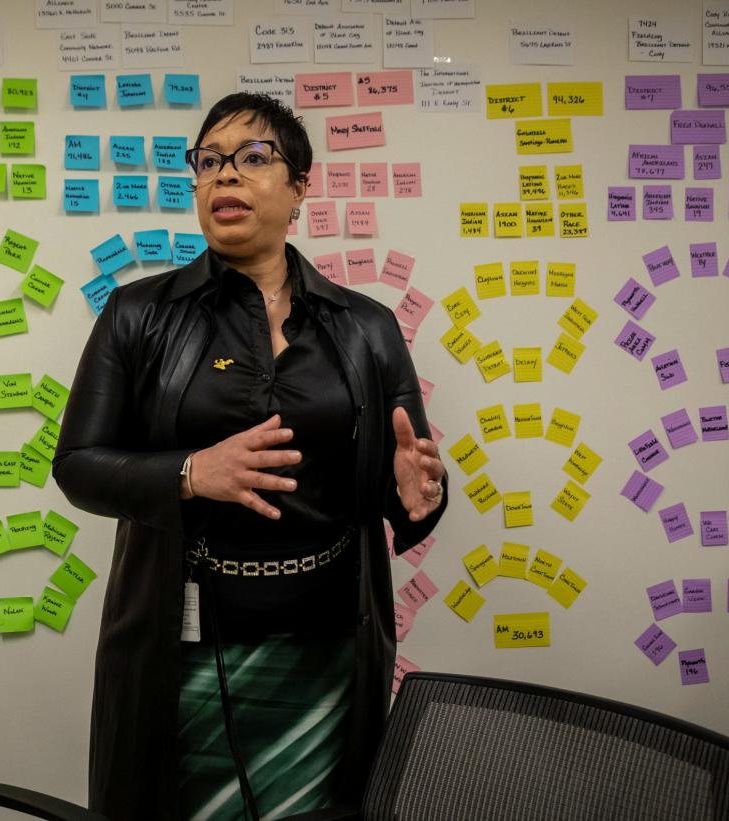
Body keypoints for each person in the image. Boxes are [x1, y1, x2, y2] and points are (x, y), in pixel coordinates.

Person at [53, 92, 447, 820]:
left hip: (327, 651)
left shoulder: (367, 328)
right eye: (208, 162)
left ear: (301, 186)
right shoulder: (138, 315)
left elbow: (405, 485)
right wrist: (190, 472)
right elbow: (76, 462)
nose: (223, 176)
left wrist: (421, 495)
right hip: (184, 653)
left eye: (252, 158)